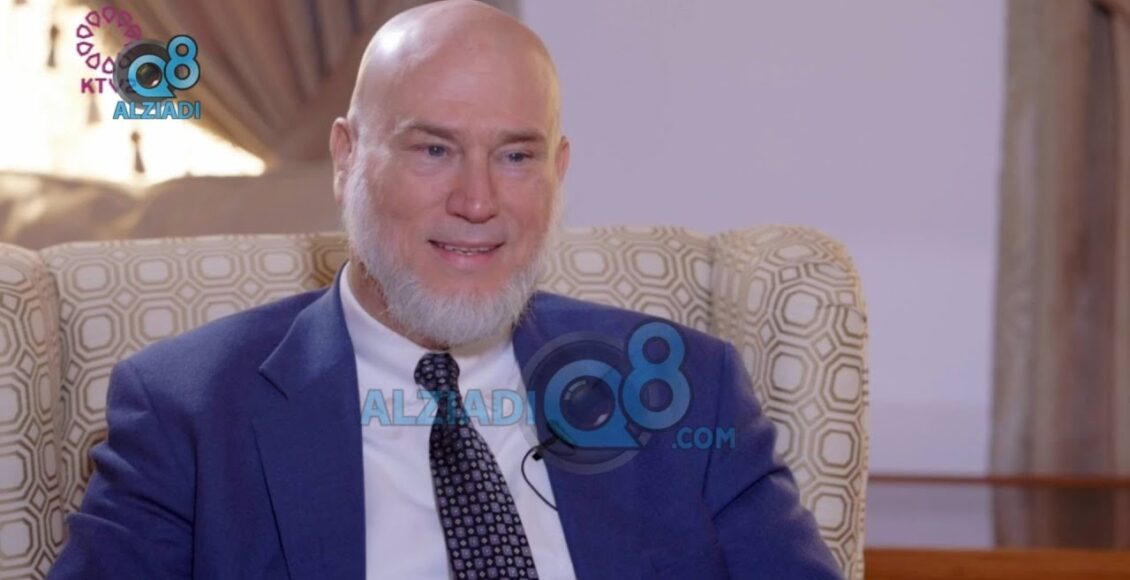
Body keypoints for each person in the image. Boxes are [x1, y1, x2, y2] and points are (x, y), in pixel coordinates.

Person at [49, 1, 841, 578]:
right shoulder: (189, 411)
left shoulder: (688, 391)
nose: (477, 200)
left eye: (516, 157)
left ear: (558, 171)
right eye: (433, 150)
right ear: (347, 159)